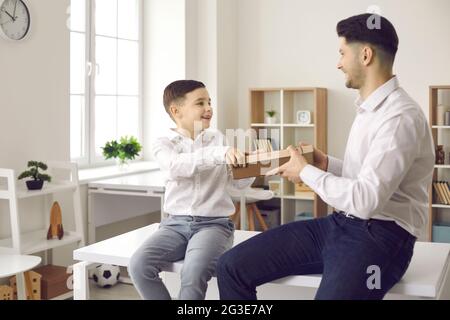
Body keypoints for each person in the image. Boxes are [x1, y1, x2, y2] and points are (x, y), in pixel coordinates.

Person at [216, 13, 435, 300]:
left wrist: (305, 172)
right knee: (231, 266)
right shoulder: (370, 109)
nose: (339, 62)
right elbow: (367, 177)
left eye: (342, 53)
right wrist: (325, 164)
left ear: (365, 55)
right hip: (341, 223)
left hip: (382, 238)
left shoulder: (400, 117)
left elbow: (367, 199)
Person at [128, 80, 254, 300]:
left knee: (193, 273)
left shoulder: (218, 140)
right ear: (176, 111)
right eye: (200, 103)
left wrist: (254, 167)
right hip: (174, 225)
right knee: (139, 265)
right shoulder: (164, 143)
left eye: (209, 102)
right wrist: (219, 154)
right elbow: (175, 167)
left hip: (213, 225)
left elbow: (236, 184)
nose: (209, 108)